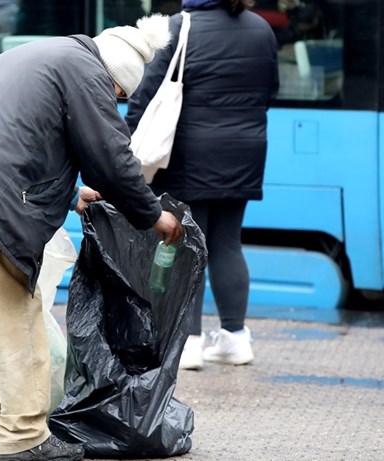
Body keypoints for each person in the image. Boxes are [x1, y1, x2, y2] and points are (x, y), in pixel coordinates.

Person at [0, 14, 181, 461]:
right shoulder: (89, 72)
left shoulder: (35, 55)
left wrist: (72, 194)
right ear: (116, 78)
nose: (114, 102)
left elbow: (10, 137)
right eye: (118, 96)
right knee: (16, 314)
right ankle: (22, 438)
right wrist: (153, 216)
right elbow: (111, 157)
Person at [125, 0, 278, 371]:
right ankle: (235, 339)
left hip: (189, 152)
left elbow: (146, 95)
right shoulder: (261, 29)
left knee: (182, 244)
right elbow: (270, 90)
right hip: (245, 151)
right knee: (227, 242)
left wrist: (127, 144)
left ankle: (189, 343)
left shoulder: (180, 26)